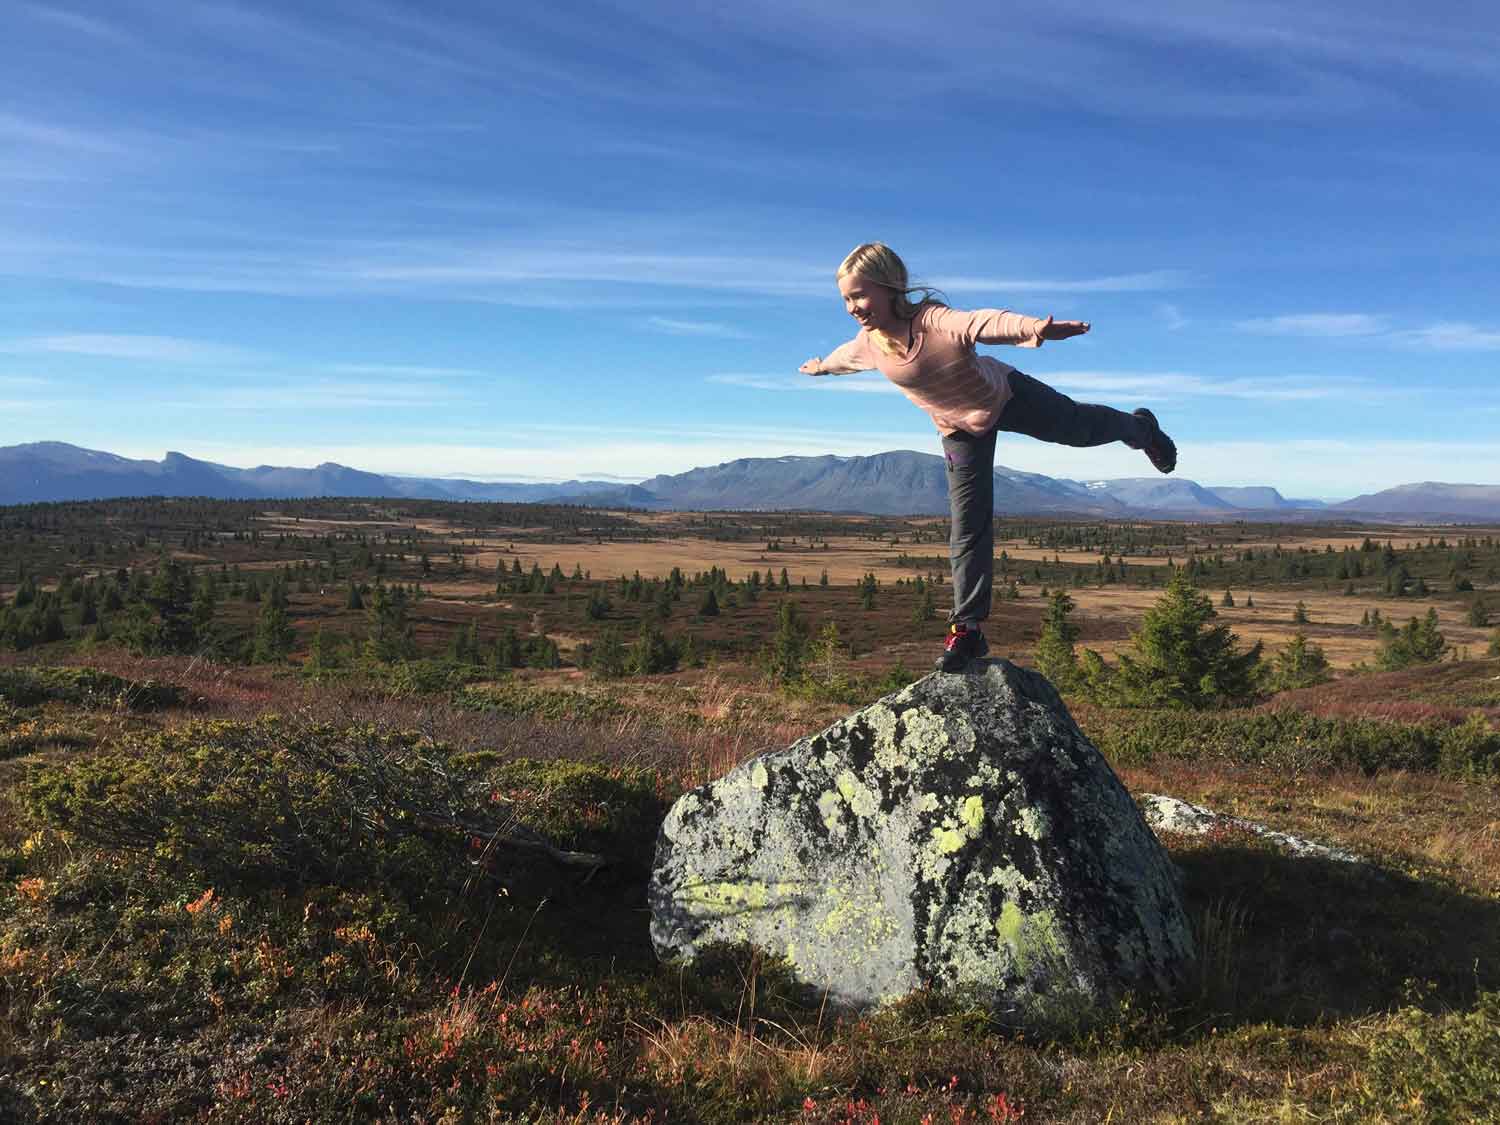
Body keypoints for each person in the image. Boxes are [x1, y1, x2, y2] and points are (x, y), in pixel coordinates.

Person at [799, 242, 1176, 673]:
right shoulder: (869, 343)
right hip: (959, 429)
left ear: (890, 288)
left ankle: (1141, 429)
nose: (852, 307)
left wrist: (1035, 328)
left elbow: (983, 322)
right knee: (968, 523)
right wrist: (821, 368)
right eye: (846, 298)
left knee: (1079, 428)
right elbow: (844, 358)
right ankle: (968, 629)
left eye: (860, 295)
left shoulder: (933, 320)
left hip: (1005, 395)